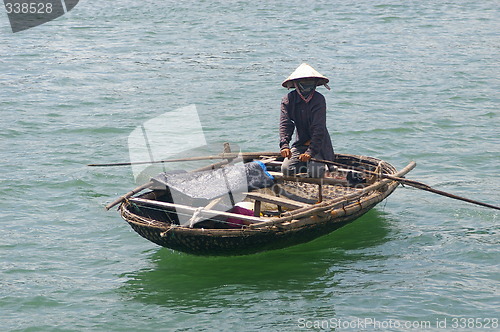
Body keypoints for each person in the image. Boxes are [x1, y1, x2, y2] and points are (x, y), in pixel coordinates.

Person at [279, 63, 335, 178]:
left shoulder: (318, 99)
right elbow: (286, 124)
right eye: (303, 81)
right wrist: (284, 145)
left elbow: (318, 127)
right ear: (296, 84)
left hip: (319, 144)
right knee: (286, 169)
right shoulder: (288, 100)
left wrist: (310, 151)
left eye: (310, 81)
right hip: (300, 143)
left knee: (315, 171)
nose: (307, 84)